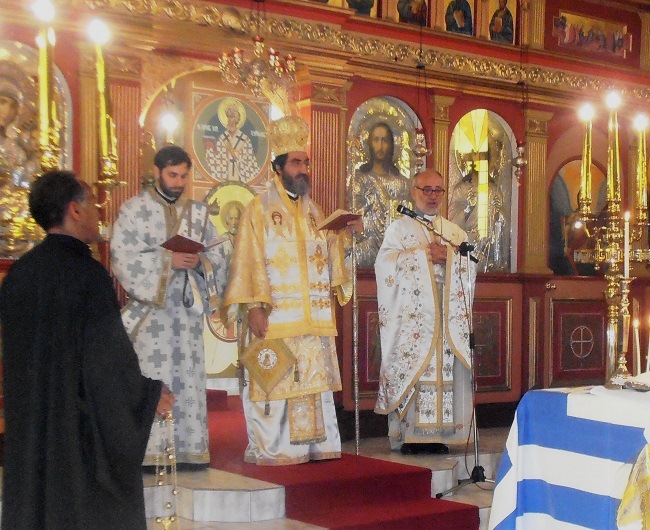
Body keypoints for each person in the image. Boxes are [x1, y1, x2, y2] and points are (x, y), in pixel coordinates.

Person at [0, 170, 174, 529]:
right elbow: (106, 365)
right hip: (74, 435)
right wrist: (148, 393)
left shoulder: (18, 276)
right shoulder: (88, 276)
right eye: (94, 204)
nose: (100, 212)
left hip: (30, 431)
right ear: (74, 211)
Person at [222, 115, 361, 465]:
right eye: (296, 162)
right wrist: (253, 305)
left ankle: (317, 445)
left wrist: (345, 238)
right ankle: (279, 448)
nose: (303, 169)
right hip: (276, 317)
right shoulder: (259, 210)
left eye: (306, 162)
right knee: (277, 382)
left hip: (312, 320)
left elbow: (330, 259)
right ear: (278, 167)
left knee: (312, 383)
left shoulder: (315, 212)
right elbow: (247, 261)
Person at [110, 145, 229, 469]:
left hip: (186, 316)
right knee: (153, 378)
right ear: (158, 172)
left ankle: (189, 451)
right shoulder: (134, 210)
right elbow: (122, 256)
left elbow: (220, 255)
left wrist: (201, 261)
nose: (178, 182)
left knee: (188, 379)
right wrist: (168, 261)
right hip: (151, 318)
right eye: (172, 175)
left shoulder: (199, 213)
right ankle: (149, 453)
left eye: (184, 176)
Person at [374, 169, 476, 455]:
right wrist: (422, 256)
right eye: (426, 190)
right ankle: (410, 436)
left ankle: (442, 434)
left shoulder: (455, 232)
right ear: (413, 191)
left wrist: (451, 257)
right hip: (413, 320)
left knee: (444, 371)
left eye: (438, 191)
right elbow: (384, 267)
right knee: (415, 368)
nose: (432, 196)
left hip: (446, 316)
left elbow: (472, 268)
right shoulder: (399, 229)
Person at [347, 121, 410, 269]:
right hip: (367, 247)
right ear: (369, 143)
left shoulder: (402, 182)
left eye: (384, 140)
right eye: (376, 140)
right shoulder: (360, 179)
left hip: (396, 250)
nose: (380, 146)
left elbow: (406, 218)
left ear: (391, 145)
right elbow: (354, 216)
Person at [203, 98, 260, 182]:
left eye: (232, 117)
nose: (230, 120)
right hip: (225, 178)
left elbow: (250, 161)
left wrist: (236, 156)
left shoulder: (244, 139)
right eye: (228, 117)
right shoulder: (223, 138)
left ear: (237, 119)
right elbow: (219, 160)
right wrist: (210, 152)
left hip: (240, 179)